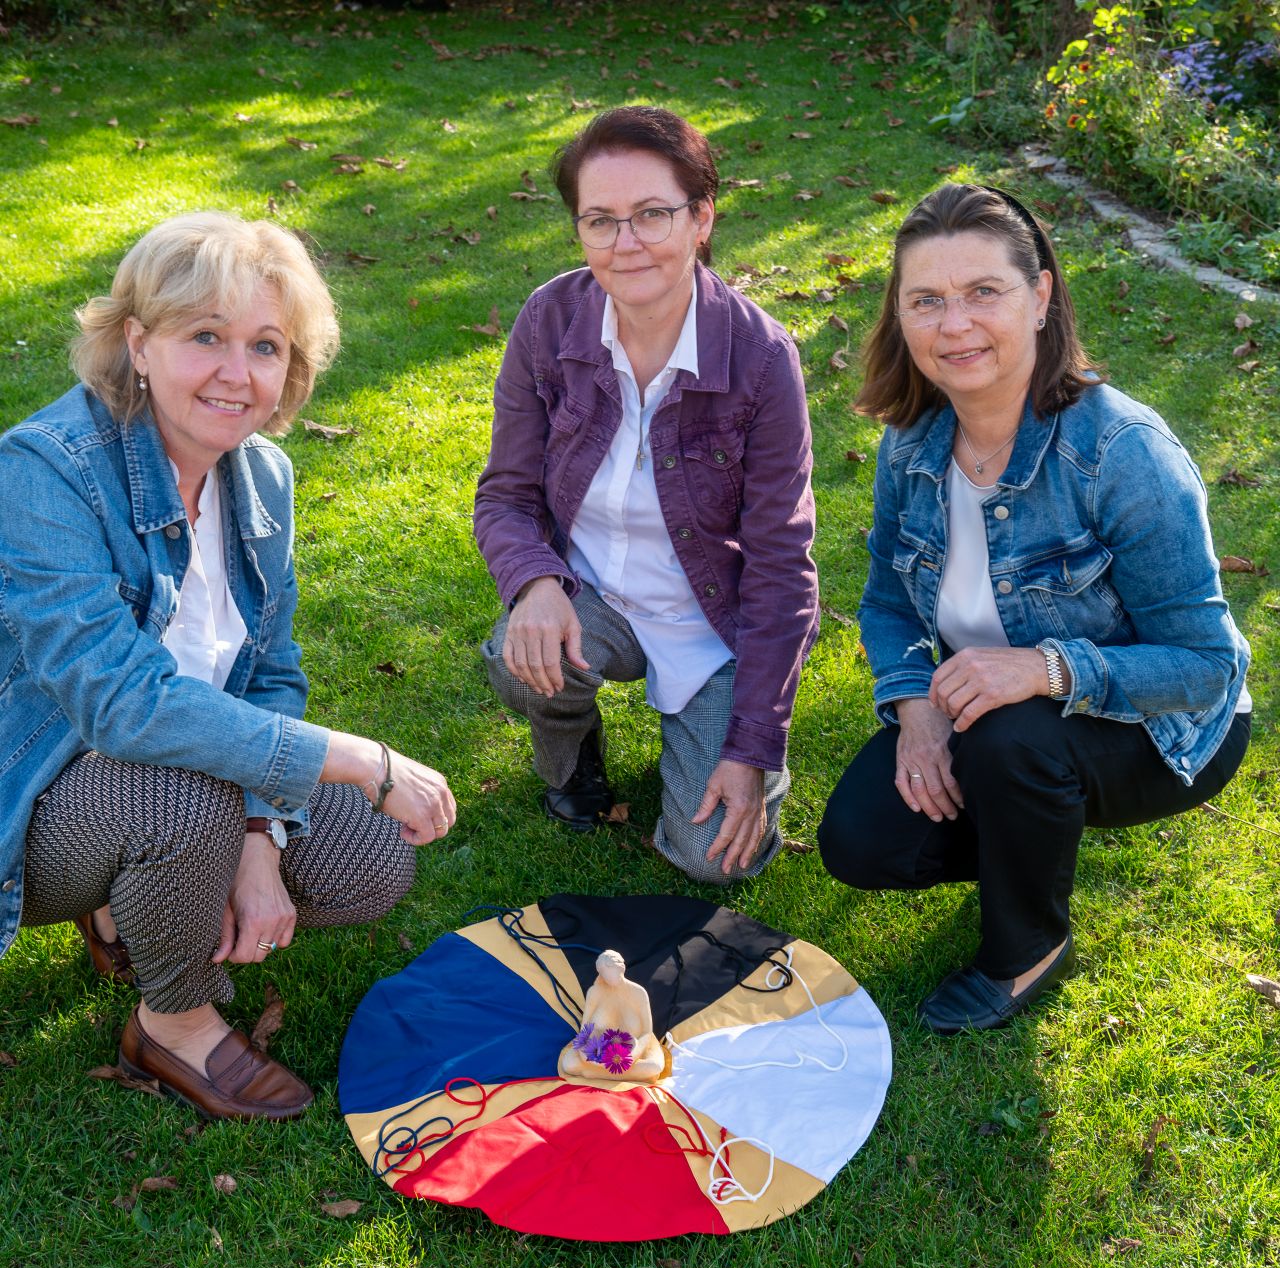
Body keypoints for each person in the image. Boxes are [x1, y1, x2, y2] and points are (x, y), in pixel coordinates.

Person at [0, 212, 457, 1118]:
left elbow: (270, 673)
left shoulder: (261, 477)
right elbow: (124, 707)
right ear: (138, 342)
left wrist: (256, 838)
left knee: (366, 863)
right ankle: (174, 1026)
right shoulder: (43, 471)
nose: (235, 373)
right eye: (204, 335)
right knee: (182, 790)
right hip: (36, 790)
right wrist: (362, 759)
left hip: (173, 781)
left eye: (265, 345)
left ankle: (133, 904)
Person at [818, 184, 1251, 1034]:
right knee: (864, 843)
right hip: (984, 709)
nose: (956, 326)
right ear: (900, 316)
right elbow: (885, 601)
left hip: (1157, 729)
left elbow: (1208, 668)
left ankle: (1029, 950)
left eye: (985, 292)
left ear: (1042, 295)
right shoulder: (913, 442)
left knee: (1016, 739)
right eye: (927, 301)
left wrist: (1045, 668)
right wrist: (913, 710)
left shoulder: (1121, 452)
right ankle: (1030, 831)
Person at [474, 106, 819, 884]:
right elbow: (504, 495)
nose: (625, 243)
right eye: (601, 221)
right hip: (593, 596)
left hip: (713, 620)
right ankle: (573, 753)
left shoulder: (762, 359)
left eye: (652, 215)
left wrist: (752, 749)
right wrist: (536, 582)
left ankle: (736, 752)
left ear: (702, 218)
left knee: (715, 863)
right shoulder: (549, 318)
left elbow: (781, 565)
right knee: (515, 651)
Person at [558, 949, 665, 1084]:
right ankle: (613, 1074)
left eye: (612, 974)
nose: (609, 979)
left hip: (636, 1049)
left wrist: (633, 1055)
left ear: (622, 968)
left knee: (654, 1067)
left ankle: (594, 1074)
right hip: (599, 1051)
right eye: (605, 975)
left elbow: (646, 1032)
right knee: (569, 1064)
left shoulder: (638, 993)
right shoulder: (594, 992)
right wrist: (584, 1054)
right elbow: (585, 1031)